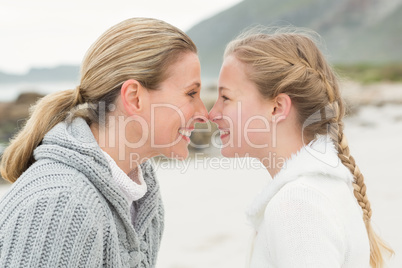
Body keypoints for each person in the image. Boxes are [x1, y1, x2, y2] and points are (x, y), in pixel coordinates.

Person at [0, 18, 207, 267]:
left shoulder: (142, 196)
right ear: (134, 98)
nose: (204, 113)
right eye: (191, 94)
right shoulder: (61, 206)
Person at [209, 30, 393, 267]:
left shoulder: (299, 205)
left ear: (277, 108)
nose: (212, 113)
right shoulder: (316, 191)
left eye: (225, 97)